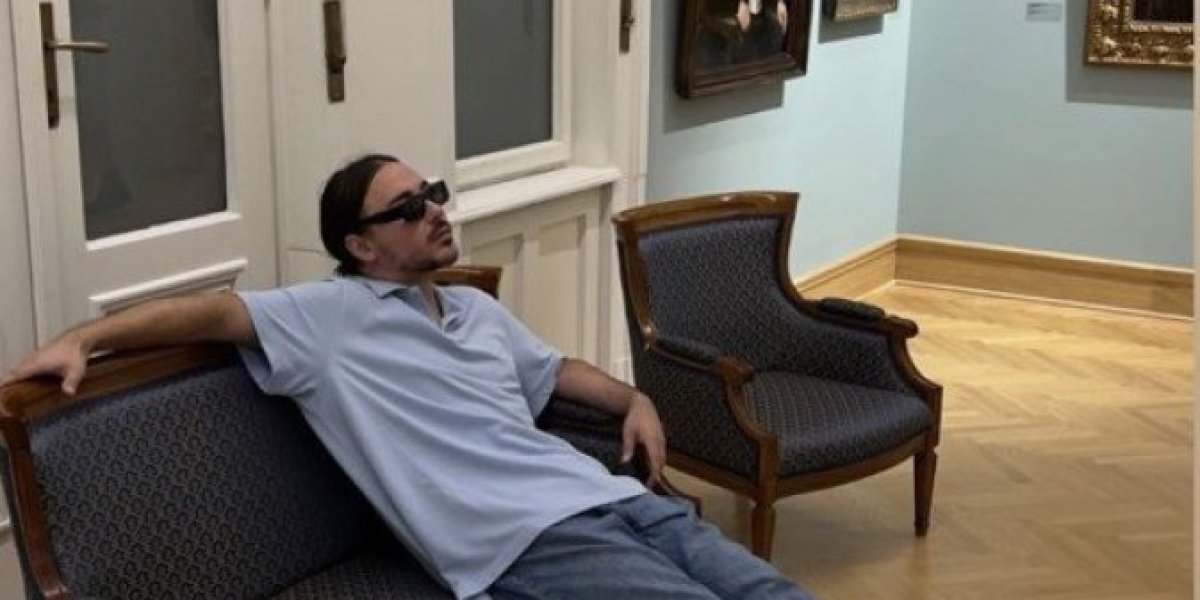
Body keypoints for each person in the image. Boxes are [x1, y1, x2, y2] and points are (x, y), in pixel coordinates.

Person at [1, 154, 816, 600]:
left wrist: (635, 398)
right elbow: (210, 315)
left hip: (607, 495)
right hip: (525, 540)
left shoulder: (472, 309)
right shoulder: (327, 320)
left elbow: (552, 371)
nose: (433, 210)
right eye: (406, 208)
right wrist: (84, 338)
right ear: (360, 247)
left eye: (431, 194)